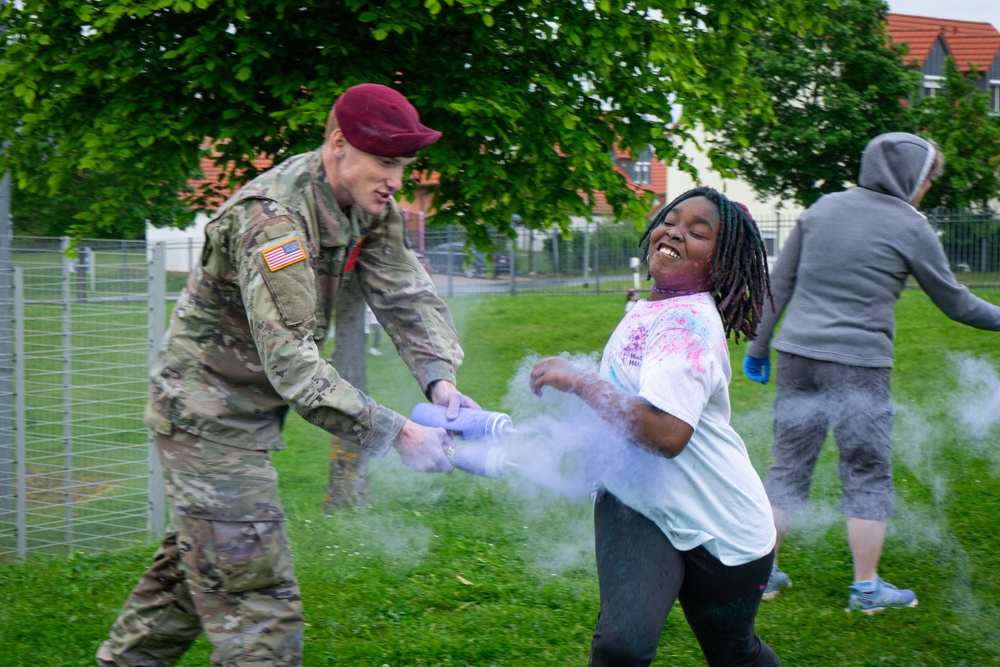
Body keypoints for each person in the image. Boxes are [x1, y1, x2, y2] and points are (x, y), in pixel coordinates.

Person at [97, 83, 480, 667]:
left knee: (184, 584)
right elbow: (294, 365)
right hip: (207, 421)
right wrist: (398, 434)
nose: (397, 180)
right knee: (260, 612)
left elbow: (405, 295)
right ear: (338, 146)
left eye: (404, 166)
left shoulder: (366, 204)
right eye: (385, 163)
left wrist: (439, 381)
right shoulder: (272, 222)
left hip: (241, 418)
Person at [743, 132, 1000, 613]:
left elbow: (779, 282)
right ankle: (866, 590)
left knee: (788, 466)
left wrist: (759, 347)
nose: (924, 192)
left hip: (797, 355)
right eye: (926, 182)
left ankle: (761, 576)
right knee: (866, 470)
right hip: (859, 363)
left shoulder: (820, 209)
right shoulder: (912, 226)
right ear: (912, 179)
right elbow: (955, 302)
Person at [529, 186, 779, 667]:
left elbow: (666, 433)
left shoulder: (687, 325)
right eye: (671, 219)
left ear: (720, 265)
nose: (675, 232)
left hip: (722, 530)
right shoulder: (654, 308)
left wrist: (578, 382)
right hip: (639, 505)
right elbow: (627, 402)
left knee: (734, 654)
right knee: (621, 648)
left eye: (698, 232)